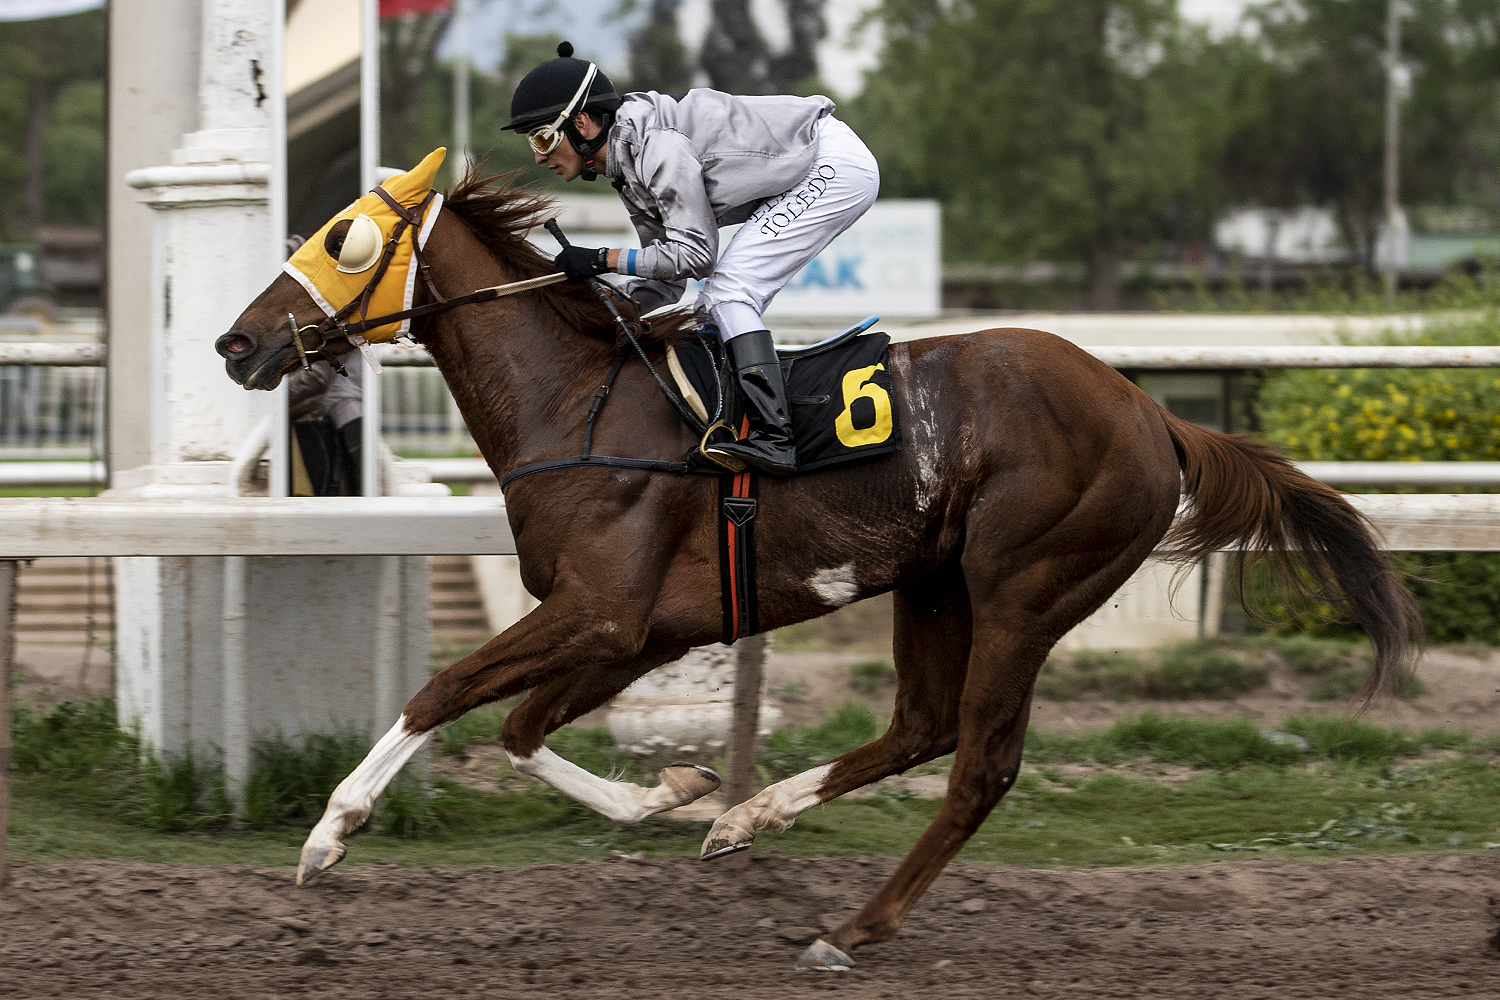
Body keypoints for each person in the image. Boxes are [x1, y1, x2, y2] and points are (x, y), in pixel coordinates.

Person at [503, 42, 881, 475]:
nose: (538, 156)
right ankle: (731, 427)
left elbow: (696, 257)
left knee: (730, 294)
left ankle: (777, 438)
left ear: (582, 124)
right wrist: (614, 308)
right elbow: (668, 274)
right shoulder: (627, 166)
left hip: (831, 164)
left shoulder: (656, 147)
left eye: (543, 138)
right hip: (812, 167)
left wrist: (603, 259)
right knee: (708, 312)